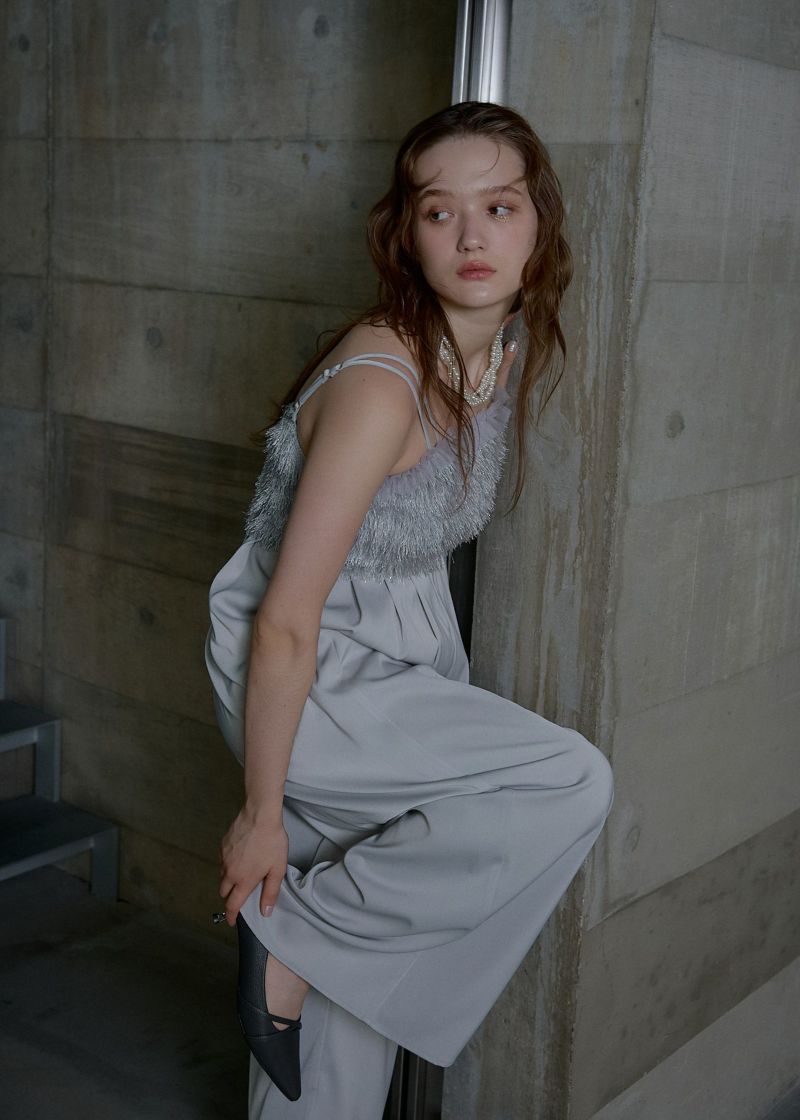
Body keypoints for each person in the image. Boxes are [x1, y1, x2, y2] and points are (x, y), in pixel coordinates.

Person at [205, 100, 614, 1119]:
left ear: (539, 222)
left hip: (397, 647)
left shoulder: (493, 348)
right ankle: (289, 940)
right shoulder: (381, 381)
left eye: (499, 206)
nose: (472, 236)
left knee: (356, 994)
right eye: (440, 212)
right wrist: (260, 815)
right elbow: (284, 621)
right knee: (566, 779)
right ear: (406, 232)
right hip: (310, 668)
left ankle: (297, 951)